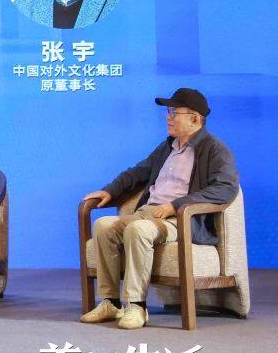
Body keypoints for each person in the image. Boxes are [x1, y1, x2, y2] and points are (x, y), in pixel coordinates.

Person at [80, 88, 239, 330]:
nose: (168, 117)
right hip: (148, 213)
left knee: (138, 230)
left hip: (179, 220)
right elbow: (138, 172)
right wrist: (109, 191)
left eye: (174, 112)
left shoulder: (214, 149)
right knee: (103, 225)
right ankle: (111, 302)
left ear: (195, 119)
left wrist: (175, 206)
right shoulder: (167, 148)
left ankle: (137, 306)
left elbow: (226, 188)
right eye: (168, 112)